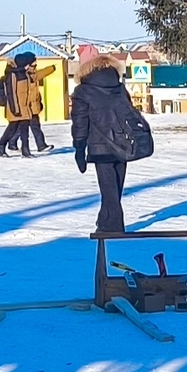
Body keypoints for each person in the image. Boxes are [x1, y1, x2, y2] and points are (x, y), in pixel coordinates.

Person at [69, 57, 153, 237]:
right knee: (115, 188)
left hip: (99, 146)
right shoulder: (119, 88)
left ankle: (113, 227)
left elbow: (80, 122)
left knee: (109, 190)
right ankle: (105, 222)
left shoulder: (82, 91)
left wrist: (79, 147)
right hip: (123, 142)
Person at [0, 52, 46, 157]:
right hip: (16, 107)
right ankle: (1, 145)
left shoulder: (26, 74)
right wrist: (15, 109)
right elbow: (12, 93)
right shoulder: (13, 75)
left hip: (25, 107)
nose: (33, 64)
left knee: (25, 131)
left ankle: (25, 151)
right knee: (12, 129)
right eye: (31, 62)